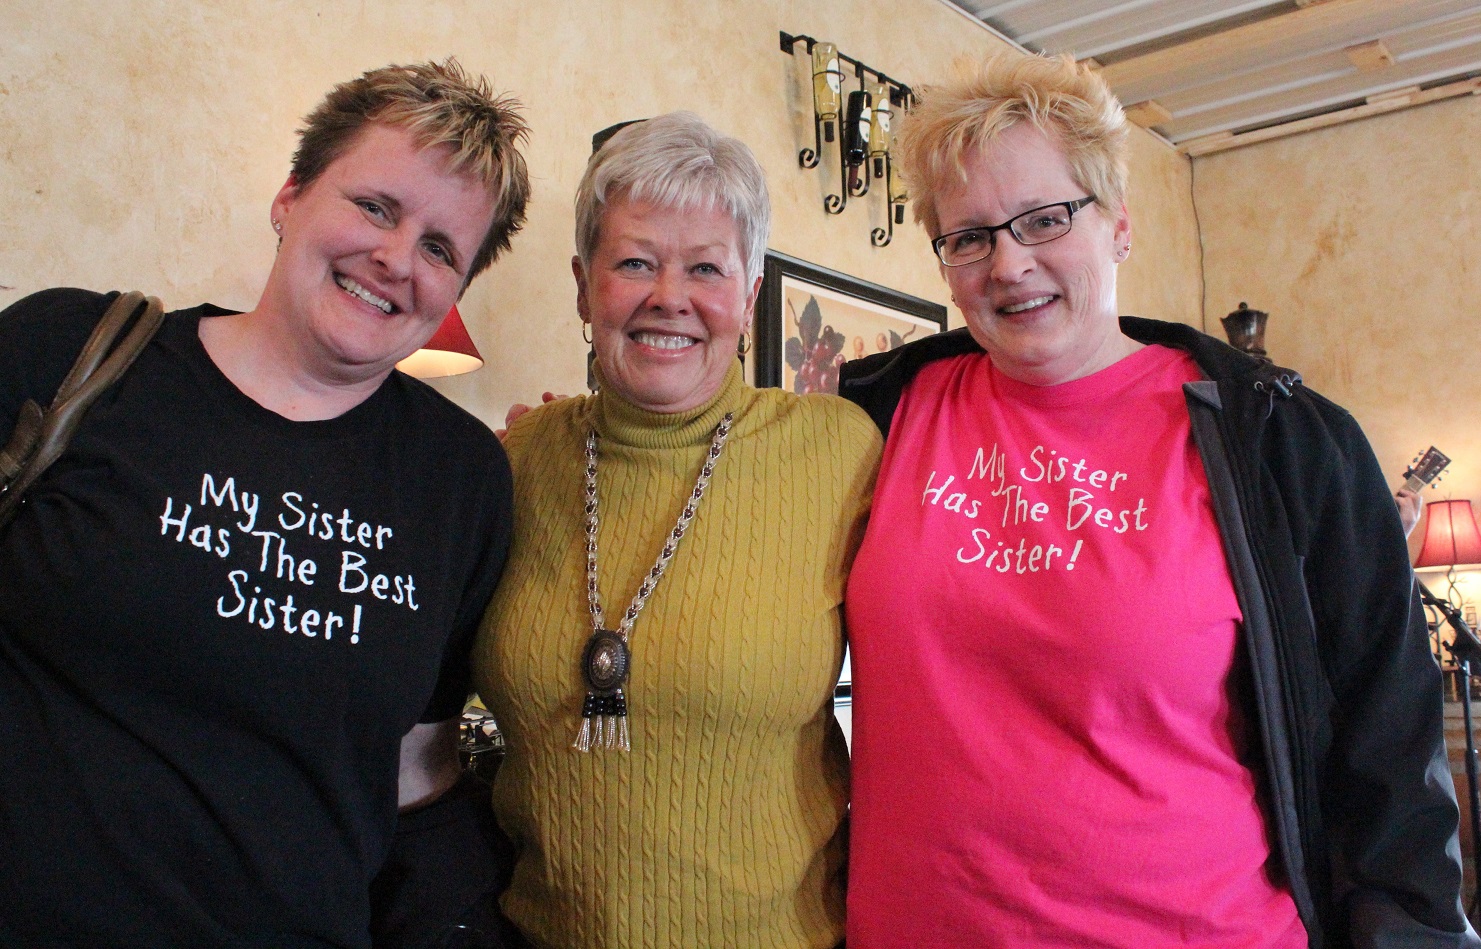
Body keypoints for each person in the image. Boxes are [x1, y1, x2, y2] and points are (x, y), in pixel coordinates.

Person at [836, 52, 1476, 948]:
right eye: (969, 236)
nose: (1008, 263)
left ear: (1119, 225)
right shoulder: (874, 417)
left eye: (1045, 219)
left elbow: (1390, 752)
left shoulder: (1282, 441)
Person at [0, 60, 530, 946]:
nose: (397, 258)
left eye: (442, 248)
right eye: (376, 207)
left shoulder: (461, 478)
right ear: (290, 196)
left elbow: (415, 770)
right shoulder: (70, 353)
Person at [474, 112, 880, 949]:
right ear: (583, 285)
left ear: (748, 295)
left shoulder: (839, 452)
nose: (669, 296)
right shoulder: (515, 460)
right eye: (634, 262)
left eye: (705, 267)